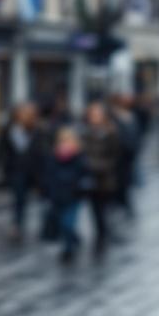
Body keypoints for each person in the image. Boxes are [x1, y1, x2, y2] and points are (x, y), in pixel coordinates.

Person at [0, 102, 47, 239]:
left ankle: (45, 226)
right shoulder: (11, 131)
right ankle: (17, 225)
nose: (25, 116)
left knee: (42, 199)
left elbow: (43, 152)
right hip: (18, 171)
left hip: (36, 171)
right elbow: (4, 150)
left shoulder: (38, 130)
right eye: (23, 113)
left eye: (28, 113)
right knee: (19, 199)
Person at [45, 127, 90, 263]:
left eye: (69, 140)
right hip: (58, 196)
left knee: (68, 223)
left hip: (73, 196)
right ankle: (71, 241)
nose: (66, 144)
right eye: (63, 140)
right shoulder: (54, 156)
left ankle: (68, 248)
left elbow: (84, 174)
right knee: (62, 222)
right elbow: (48, 175)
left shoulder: (79, 156)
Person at [82, 101, 120, 253]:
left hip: (105, 178)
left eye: (98, 115)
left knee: (103, 208)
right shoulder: (85, 132)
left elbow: (115, 156)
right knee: (94, 208)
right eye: (92, 115)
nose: (95, 118)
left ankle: (103, 233)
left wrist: (100, 165)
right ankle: (99, 232)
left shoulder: (111, 133)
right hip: (90, 178)